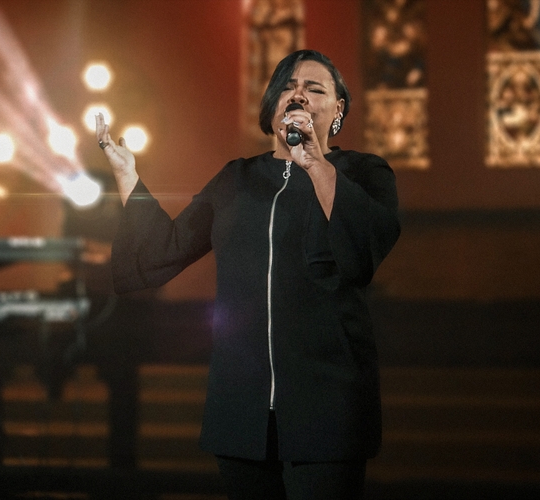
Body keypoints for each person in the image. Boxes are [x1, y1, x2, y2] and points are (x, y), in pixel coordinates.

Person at [96, 50, 400, 499]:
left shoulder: (363, 172)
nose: (298, 94)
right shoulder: (235, 179)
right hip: (242, 408)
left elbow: (362, 249)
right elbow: (165, 250)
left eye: (315, 89)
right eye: (287, 87)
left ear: (338, 111)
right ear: (271, 104)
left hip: (327, 406)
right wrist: (128, 176)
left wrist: (315, 162)